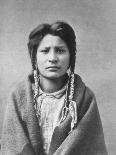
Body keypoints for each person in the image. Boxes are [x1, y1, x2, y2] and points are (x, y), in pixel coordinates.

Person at [1, 21, 107, 155]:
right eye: (45, 51)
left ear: (71, 56)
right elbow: (12, 147)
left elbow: (92, 148)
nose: (52, 58)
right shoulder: (18, 97)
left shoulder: (85, 99)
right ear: (34, 57)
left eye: (60, 50)